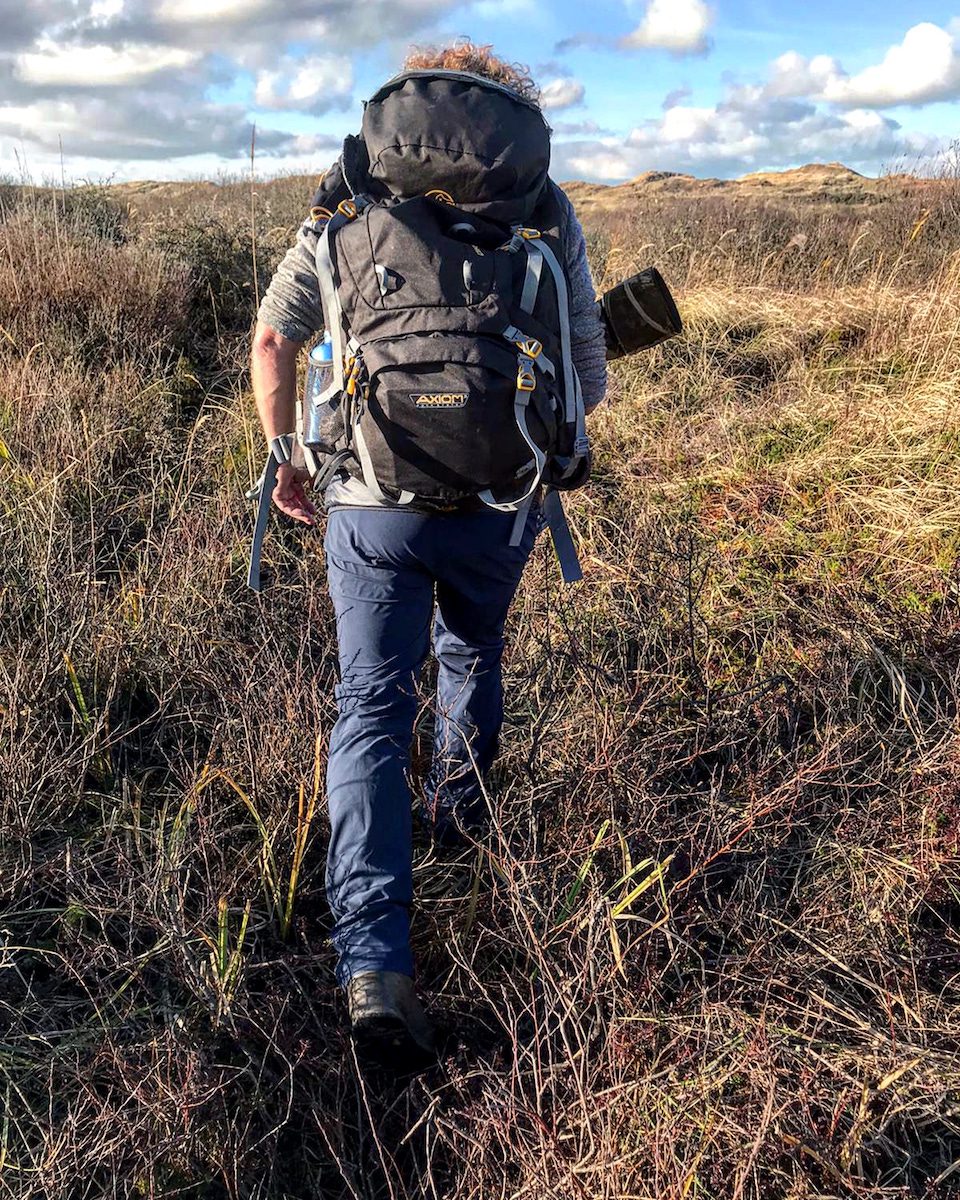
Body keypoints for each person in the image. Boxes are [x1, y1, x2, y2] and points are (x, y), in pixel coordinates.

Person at [251, 42, 607, 1064]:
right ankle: (458, 818)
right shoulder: (543, 207)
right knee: (472, 650)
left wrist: (286, 452)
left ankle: (374, 966)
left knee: (369, 705)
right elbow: (587, 372)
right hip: (501, 503)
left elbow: (274, 340)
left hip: (369, 502)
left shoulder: (347, 199)